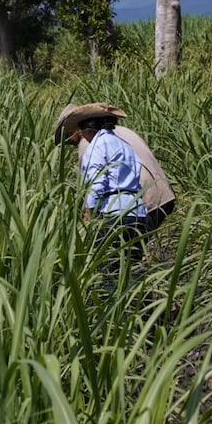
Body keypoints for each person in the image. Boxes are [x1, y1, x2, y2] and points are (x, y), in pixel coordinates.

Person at [60, 103, 149, 287]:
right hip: (137, 214)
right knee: (130, 271)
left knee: (108, 273)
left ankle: (113, 315)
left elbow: (96, 183)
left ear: (87, 131)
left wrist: (88, 215)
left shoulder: (96, 146)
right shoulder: (124, 145)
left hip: (114, 216)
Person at [55, 103, 177, 233]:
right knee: (134, 247)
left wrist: (87, 220)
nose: (71, 143)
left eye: (68, 138)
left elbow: (95, 183)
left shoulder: (90, 143)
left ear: (77, 129)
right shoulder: (120, 133)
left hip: (136, 203)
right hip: (159, 197)